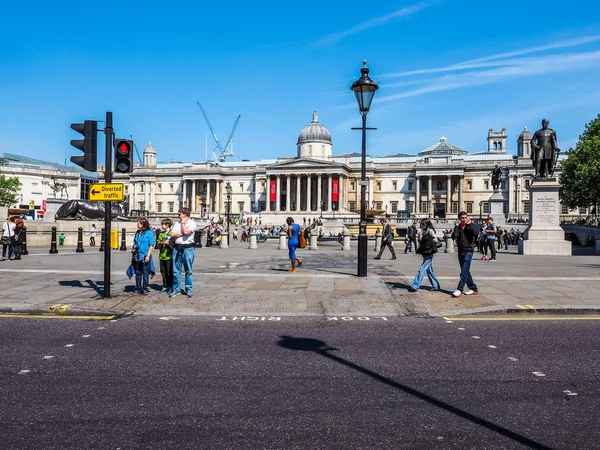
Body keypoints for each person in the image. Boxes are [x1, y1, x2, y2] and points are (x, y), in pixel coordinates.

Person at [170, 207, 197, 298]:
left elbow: (186, 231)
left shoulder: (192, 223)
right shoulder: (176, 223)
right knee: (175, 271)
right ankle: (176, 289)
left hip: (188, 249)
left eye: (179, 214)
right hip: (177, 248)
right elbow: (172, 234)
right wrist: (182, 234)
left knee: (188, 270)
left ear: (185, 214)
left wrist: (183, 223)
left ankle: (189, 289)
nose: (178, 216)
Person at [451, 211, 479, 297]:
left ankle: (459, 289)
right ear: (459, 219)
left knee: (464, 271)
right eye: (462, 218)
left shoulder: (470, 225)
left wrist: (470, 224)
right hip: (461, 250)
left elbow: (476, 232)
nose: (464, 219)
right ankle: (473, 288)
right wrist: (456, 227)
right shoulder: (459, 227)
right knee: (466, 271)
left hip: (468, 250)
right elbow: (453, 236)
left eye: (465, 217)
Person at [409, 219, 440, 292]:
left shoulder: (430, 231)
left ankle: (415, 285)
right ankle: (436, 286)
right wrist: (420, 237)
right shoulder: (423, 231)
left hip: (429, 252)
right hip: (425, 252)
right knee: (429, 270)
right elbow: (421, 242)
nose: (421, 225)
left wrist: (428, 241)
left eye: (423, 224)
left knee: (422, 269)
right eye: (421, 224)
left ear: (427, 225)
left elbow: (435, 240)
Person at [132, 218, 155, 295]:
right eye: (137, 223)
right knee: (138, 272)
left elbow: (151, 245)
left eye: (139, 223)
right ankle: (137, 288)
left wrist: (148, 255)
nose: (137, 224)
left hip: (145, 254)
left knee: (145, 273)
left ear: (143, 224)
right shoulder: (137, 232)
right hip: (138, 254)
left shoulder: (149, 233)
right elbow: (135, 242)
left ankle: (144, 288)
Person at [157, 218, 174, 294]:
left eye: (163, 224)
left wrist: (168, 243)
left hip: (169, 255)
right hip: (162, 255)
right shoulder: (161, 233)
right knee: (162, 271)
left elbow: (173, 243)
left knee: (169, 271)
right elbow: (158, 241)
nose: (162, 226)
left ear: (167, 225)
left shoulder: (172, 233)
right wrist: (161, 243)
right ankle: (165, 285)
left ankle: (170, 285)